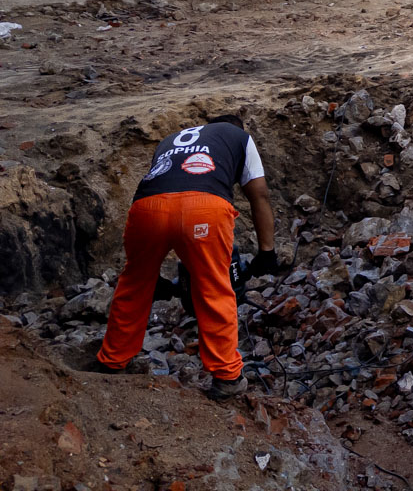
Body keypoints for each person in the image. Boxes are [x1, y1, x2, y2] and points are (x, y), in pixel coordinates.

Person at [91, 115, 278, 399]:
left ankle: (111, 362)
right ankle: (227, 376)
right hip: (204, 208)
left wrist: (154, 277)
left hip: (147, 209)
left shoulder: (171, 140)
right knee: (215, 287)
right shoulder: (239, 135)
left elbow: (166, 186)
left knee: (134, 284)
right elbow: (259, 194)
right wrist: (267, 252)